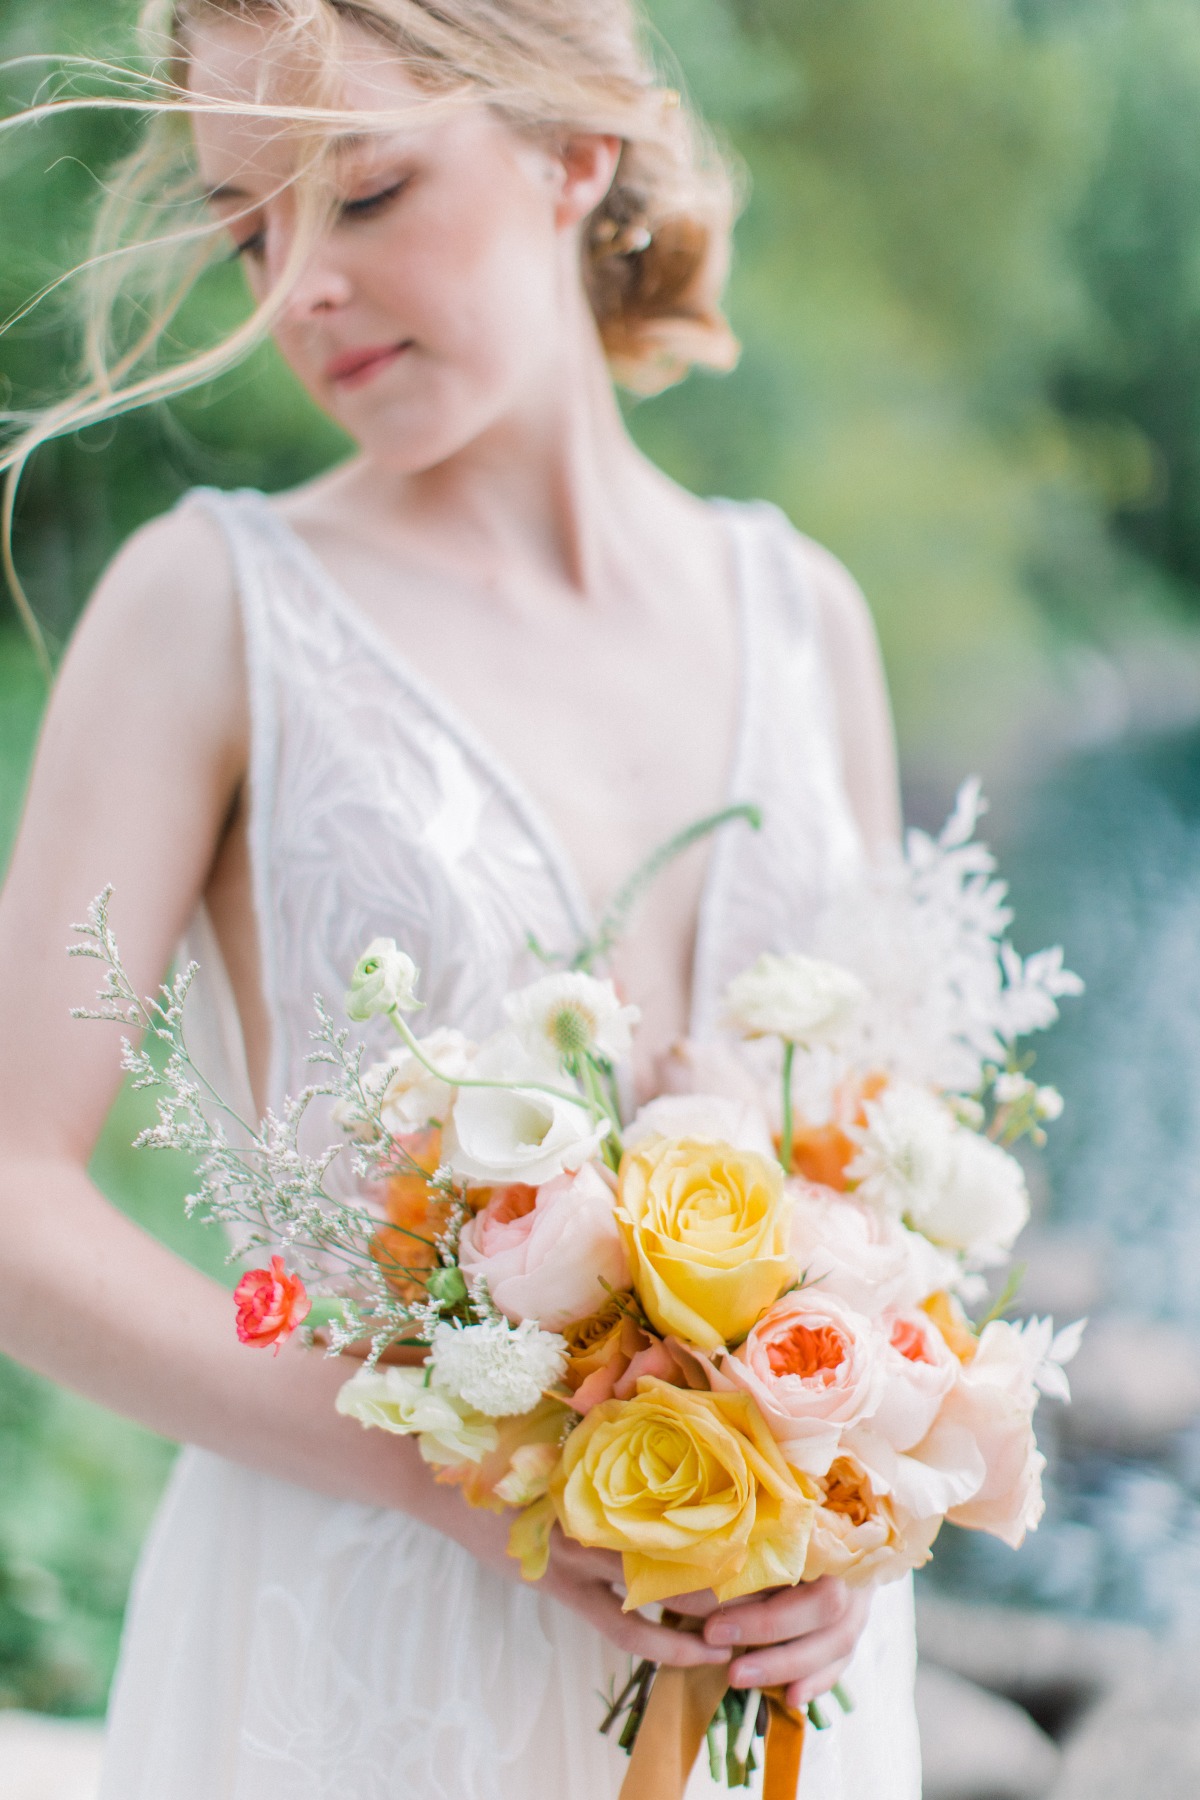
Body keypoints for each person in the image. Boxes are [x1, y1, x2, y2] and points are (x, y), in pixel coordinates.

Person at [0, 2, 919, 1794]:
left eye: (363, 191)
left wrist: (868, 1503)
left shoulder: (810, 623)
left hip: (769, 1674)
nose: (296, 292)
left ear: (577, 149)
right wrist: (435, 1469)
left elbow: (888, 1183)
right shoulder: (209, 608)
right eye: (247, 227)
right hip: (353, 1655)